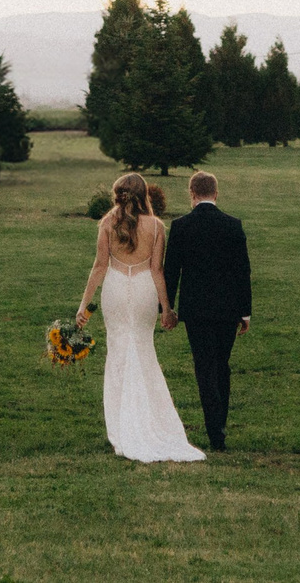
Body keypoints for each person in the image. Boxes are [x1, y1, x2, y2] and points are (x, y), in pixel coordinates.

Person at [75, 171, 206, 462]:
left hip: (116, 290)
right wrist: (167, 309)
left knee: (119, 353)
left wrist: (83, 305)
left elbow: (99, 266)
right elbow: (158, 271)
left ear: (119, 195)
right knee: (144, 350)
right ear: (144, 193)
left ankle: (122, 428)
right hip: (145, 290)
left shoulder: (108, 223)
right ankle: (149, 422)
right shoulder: (157, 226)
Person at [162, 169, 251, 452]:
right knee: (221, 366)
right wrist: (245, 312)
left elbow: (171, 272)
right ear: (216, 193)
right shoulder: (233, 225)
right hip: (228, 310)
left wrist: (167, 308)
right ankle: (219, 427)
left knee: (205, 367)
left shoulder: (181, 226)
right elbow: (242, 272)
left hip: (196, 310)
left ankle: (215, 430)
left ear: (191, 194)